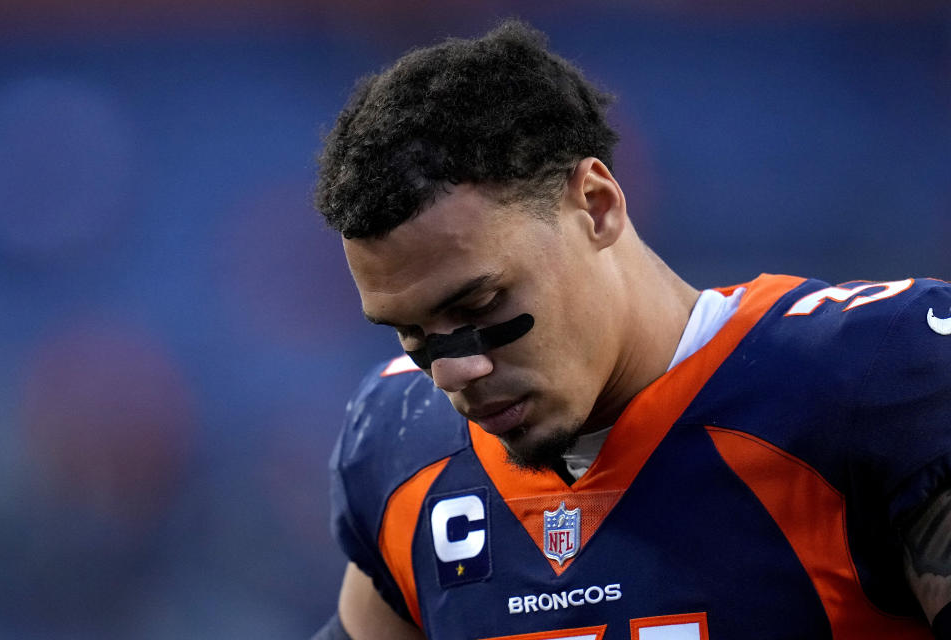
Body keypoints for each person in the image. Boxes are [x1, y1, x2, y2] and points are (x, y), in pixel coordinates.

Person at [311, 20, 951, 640]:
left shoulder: (872, 379)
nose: (452, 372)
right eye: (412, 333)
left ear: (596, 205)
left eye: (480, 304)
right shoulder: (402, 450)